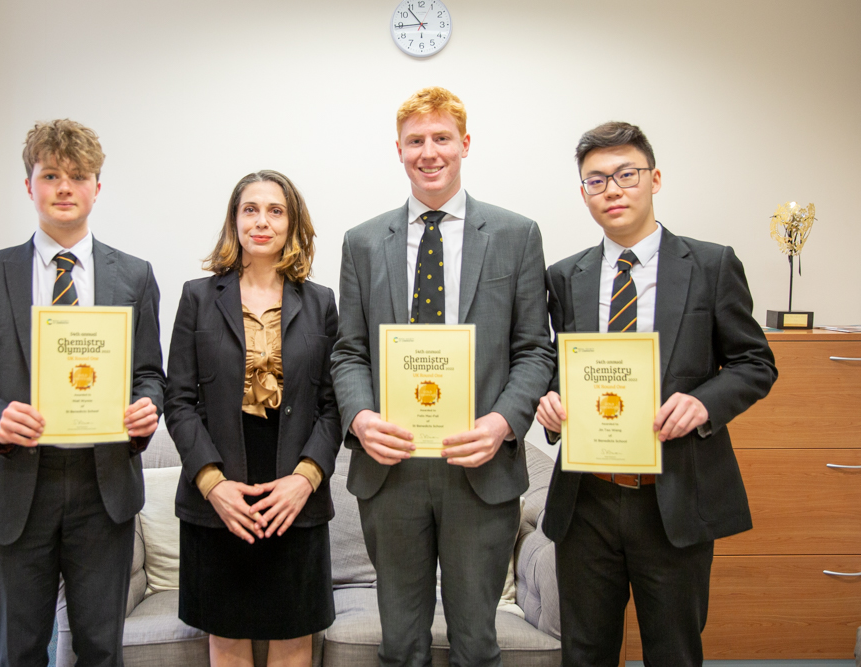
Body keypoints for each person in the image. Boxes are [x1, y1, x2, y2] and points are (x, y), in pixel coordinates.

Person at [536, 121, 778, 666]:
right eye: (596, 181)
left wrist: (704, 403)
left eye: (626, 174)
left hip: (675, 495)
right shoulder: (564, 276)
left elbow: (753, 362)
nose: (613, 190)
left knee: (674, 652)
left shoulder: (711, 265)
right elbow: (553, 366)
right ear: (583, 194)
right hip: (587, 498)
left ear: (654, 179)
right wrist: (549, 404)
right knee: (585, 652)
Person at [330, 87, 556, 666]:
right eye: (415, 141)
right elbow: (348, 352)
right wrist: (359, 416)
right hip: (392, 469)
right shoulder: (362, 241)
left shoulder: (515, 234)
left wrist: (504, 422)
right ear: (399, 150)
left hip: (479, 471)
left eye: (441, 139)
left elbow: (534, 350)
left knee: (476, 643)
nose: (428, 152)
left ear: (464, 144)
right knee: (401, 643)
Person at [0, 119, 166, 667]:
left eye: (78, 175)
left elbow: (150, 373)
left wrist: (147, 406)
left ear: (96, 187)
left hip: (103, 487)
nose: (64, 187)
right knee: (19, 651)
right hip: (19, 487)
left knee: (99, 649)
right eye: (50, 175)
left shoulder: (134, 276)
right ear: (29, 186)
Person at [164, 170, 340, 666]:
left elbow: (334, 404)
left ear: (292, 223)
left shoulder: (321, 301)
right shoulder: (198, 298)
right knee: (228, 642)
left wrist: (305, 479)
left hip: (295, 490)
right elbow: (177, 400)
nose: (262, 221)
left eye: (275, 210)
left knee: (292, 640)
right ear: (234, 220)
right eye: (250, 209)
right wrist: (212, 483)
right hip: (219, 488)